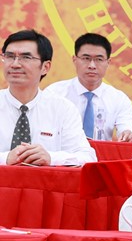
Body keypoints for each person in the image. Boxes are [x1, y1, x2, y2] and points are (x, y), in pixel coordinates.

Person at [1, 29, 95, 166]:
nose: (15, 64)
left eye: (26, 57)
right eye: (9, 56)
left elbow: (88, 158)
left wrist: (51, 158)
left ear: (45, 67)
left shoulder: (62, 109)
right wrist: (5, 158)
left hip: (45, 180)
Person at [45, 32, 132, 141]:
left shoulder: (118, 99)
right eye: (86, 58)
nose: (92, 65)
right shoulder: (54, 93)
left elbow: (129, 126)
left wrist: (129, 134)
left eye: (99, 59)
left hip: (101, 152)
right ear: (74, 60)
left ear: (108, 62)